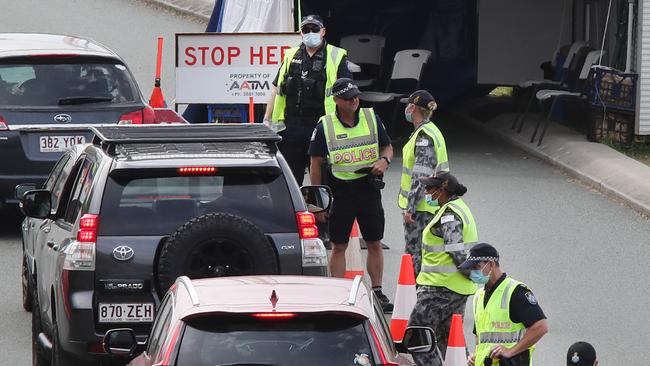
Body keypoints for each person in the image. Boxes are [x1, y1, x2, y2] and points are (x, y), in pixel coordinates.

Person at [308, 78, 394, 312]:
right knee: (338, 245)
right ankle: (339, 291)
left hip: (368, 189)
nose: (354, 100)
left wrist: (383, 161)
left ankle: (377, 291)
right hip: (340, 191)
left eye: (356, 95)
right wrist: (319, 200)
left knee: (375, 242)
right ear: (336, 100)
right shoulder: (324, 126)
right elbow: (315, 164)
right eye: (348, 98)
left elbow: (387, 147)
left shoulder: (370, 117)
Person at [264, 14, 351, 185]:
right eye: (306, 29)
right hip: (291, 126)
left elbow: (347, 93)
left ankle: (321, 210)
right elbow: (276, 88)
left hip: (321, 126)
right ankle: (296, 211)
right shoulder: (290, 55)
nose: (310, 32)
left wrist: (346, 124)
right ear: (301, 33)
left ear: (323, 31)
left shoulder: (335, 55)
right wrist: (267, 119)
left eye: (315, 29)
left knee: (322, 179)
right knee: (290, 180)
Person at [407, 172, 477, 366]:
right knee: (450, 340)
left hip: (440, 289)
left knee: (417, 337)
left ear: (442, 190)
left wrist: (474, 275)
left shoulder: (449, 215)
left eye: (430, 188)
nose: (426, 192)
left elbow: (456, 251)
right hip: (456, 288)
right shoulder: (458, 208)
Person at [462, 243, 549, 366]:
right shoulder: (479, 296)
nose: (473, 272)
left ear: (491, 264)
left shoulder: (515, 291)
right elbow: (481, 338)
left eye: (476, 267)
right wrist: (476, 356)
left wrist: (510, 351)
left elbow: (541, 326)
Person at [398, 90, 449, 276]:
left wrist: (410, 208)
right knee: (427, 253)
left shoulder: (423, 137)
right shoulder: (430, 130)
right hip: (431, 204)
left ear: (412, 108)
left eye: (408, 105)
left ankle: (413, 297)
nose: (406, 108)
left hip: (422, 208)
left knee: (415, 254)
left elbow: (421, 175)